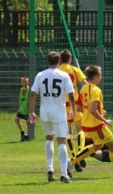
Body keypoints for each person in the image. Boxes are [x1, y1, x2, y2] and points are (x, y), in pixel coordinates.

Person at [68, 65, 113, 177]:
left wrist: (99, 111)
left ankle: (71, 162)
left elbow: (79, 108)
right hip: (97, 125)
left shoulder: (83, 89)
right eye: (100, 74)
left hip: (86, 125)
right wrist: (105, 120)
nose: (101, 77)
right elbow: (93, 110)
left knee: (97, 147)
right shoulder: (96, 90)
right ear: (95, 76)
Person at [28, 51, 75, 183]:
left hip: (45, 111)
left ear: (48, 62)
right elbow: (71, 95)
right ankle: (64, 174)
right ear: (59, 61)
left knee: (49, 139)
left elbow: (32, 94)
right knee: (62, 142)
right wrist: (72, 110)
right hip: (59, 111)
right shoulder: (64, 75)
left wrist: (31, 111)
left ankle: (50, 169)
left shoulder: (40, 75)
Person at [59, 50, 87, 172]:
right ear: (70, 59)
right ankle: (81, 152)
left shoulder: (57, 71)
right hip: (75, 104)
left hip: (63, 105)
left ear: (60, 59)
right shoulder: (75, 70)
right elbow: (85, 85)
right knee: (80, 129)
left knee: (68, 130)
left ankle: (73, 155)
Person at [15, 76, 30, 141]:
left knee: (28, 123)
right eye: (23, 82)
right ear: (21, 83)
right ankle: (22, 132)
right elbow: (21, 100)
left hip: (27, 109)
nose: (25, 83)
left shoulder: (30, 89)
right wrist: (19, 108)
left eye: (26, 82)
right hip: (21, 108)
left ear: (28, 82)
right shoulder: (21, 89)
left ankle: (28, 136)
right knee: (16, 119)